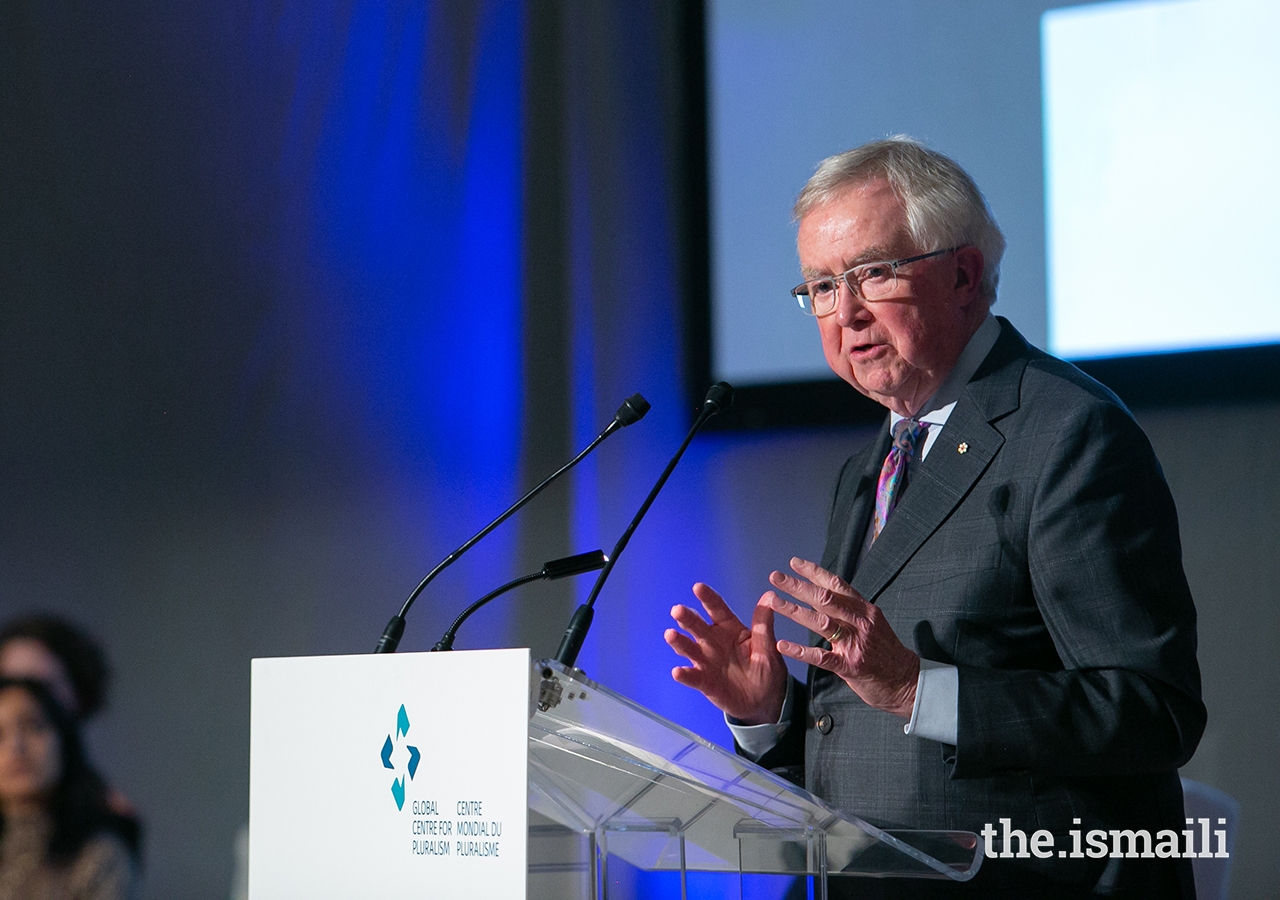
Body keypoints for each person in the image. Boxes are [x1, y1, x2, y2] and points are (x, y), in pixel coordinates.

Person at [665, 137, 1205, 898]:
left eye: (871, 273)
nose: (844, 312)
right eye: (819, 286)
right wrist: (772, 713)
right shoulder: (871, 467)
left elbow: (1154, 713)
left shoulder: (1068, 433)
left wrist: (921, 690)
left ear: (963, 275)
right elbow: (871, 742)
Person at [0, 677, 140, 900]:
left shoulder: (98, 854)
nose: (16, 747)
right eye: (0, 735)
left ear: (63, 740)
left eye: (33, 726)